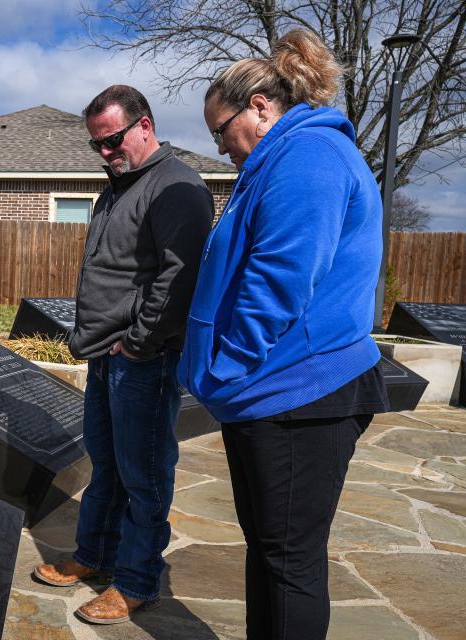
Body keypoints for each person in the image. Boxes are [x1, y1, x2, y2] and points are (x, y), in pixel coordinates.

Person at [178, 30, 390, 639]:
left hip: (302, 393)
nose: (221, 147)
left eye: (222, 130)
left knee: (291, 561)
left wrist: (226, 366)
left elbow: (281, 278)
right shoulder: (281, 158)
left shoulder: (310, 157)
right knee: (271, 551)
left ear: (262, 106)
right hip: (273, 392)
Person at [33, 85, 213, 624]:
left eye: (112, 140)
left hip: (143, 358)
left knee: (144, 474)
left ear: (145, 125)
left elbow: (178, 276)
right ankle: (95, 555)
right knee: (106, 464)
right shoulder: (119, 184)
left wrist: (137, 342)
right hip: (105, 353)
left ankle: (136, 581)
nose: (107, 152)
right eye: (97, 146)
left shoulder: (176, 186)